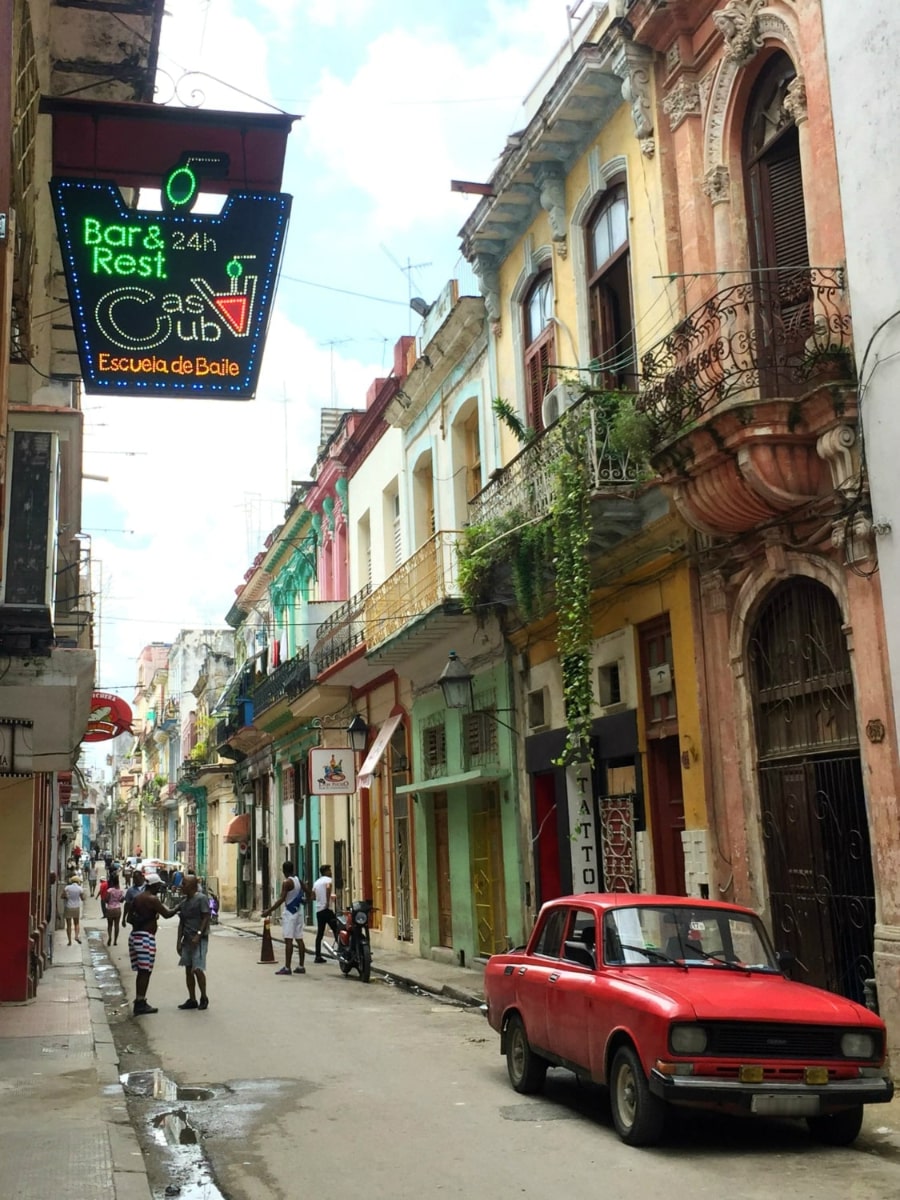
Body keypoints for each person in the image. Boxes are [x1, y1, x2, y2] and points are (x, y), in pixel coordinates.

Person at [127, 872, 180, 1016]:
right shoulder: (152, 899)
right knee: (145, 971)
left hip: (135, 936)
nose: (159, 888)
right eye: (158, 886)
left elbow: (129, 918)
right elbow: (167, 914)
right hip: (145, 938)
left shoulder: (137, 898)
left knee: (141, 971)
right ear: (154, 885)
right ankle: (140, 1002)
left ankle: (140, 1000)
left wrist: (146, 917)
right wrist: (178, 907)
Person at [263, 861, 308, 976]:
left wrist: (269, 910)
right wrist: (303, 900)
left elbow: (282, 899)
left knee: (288, 940)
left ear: (284, 870)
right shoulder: (298, 880)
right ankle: (301, 966)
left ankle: (287, 967)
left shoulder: (287, 882)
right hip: (299, 911)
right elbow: (309, 893)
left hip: (290, 913)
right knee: (299, 939)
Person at [176, 873, 211, 1009]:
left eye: (183, 883)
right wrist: (178, 941)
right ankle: (192, 998)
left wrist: (199, 934)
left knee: (197, 968)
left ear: (191, 886)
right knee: (188, 968)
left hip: (199, 939)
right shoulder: (184, 902)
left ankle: (204, 996)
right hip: (187, 939)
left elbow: (206, 917)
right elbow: (181, 922)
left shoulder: (201, 899)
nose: (181, 886)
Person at [312, 865, 341, 963]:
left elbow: (313, 896)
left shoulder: (316, 882)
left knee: (320, 933)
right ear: (325, 872)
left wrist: (320, 899)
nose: (331, 872)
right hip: (327, 909)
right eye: (329, 870)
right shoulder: (328, 880)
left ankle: (317, 955)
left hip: (319, 910)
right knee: (337, 930)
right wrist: (328, 900)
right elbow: (328, 888)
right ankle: (342, 951)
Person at [63, 874, 84, 945]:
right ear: (78, 882)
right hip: (76, 907)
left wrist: (66, 897)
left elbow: (62, 896)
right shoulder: (80, 888)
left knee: (68, 925)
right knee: (76, 923)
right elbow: (82, 898)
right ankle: (76, 936)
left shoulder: (67, 888)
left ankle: (69, 941)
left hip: (68, 907)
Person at [105, 872, 124, 946]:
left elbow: (106, 899)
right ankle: (115, 940)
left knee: (110, 925)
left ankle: (110, 937)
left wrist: (109, 901)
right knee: (116, 925)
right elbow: (121, 900)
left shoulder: (110, 890)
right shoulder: (120, 891)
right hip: (117, 909)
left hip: (110, 909)